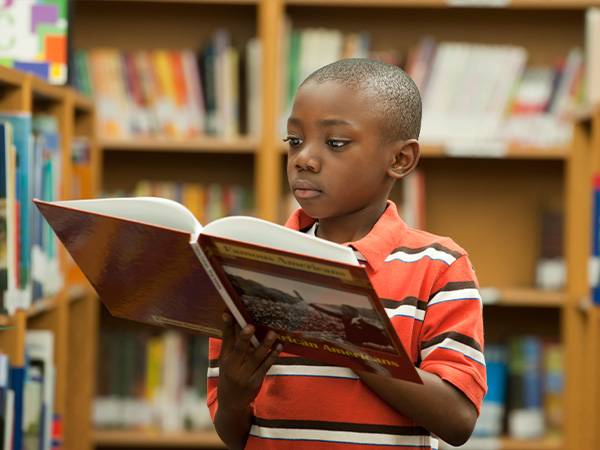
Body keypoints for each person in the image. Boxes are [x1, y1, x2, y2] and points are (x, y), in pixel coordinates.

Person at [206, 58, 486, 450]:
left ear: (400, 159)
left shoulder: (438, 267)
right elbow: (234, 435)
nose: (303, 158)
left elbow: (458, 421)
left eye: (335, 143)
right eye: (294, 141)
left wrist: (346, 337)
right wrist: (234, 400)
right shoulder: (252, 263)